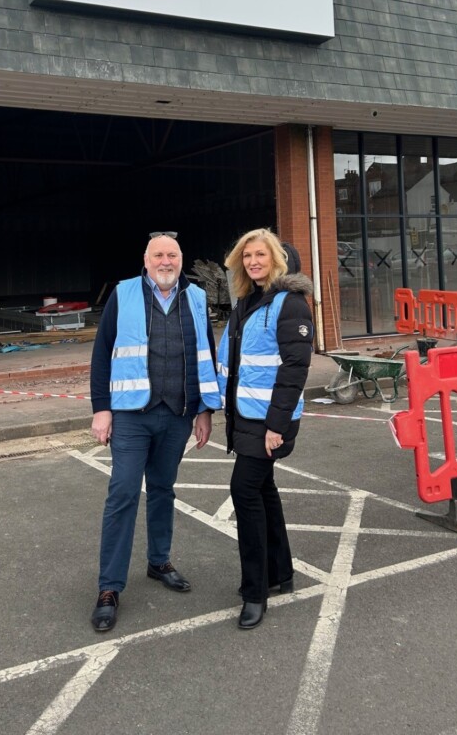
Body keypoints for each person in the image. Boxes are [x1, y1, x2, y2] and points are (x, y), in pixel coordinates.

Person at [90, 231, 221, 632]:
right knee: (124, 493)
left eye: (173, 255)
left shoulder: (196, 297)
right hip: (131, 414)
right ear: (146, 261)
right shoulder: (124, 293)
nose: (166, 262)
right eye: (159, 255)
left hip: (178, 412)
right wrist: (102, 410)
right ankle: (109, 588)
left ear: (181, 260)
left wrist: (204, 410)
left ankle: (159, 561)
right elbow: (102, 351)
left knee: (163, 489)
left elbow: (206, 354)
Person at [217, 228, 313, 630]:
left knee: (244, 490)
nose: (254, 261)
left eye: (261, 255)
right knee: (263, 490)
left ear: (277, 259)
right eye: (248, 256)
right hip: (245, 416)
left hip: (269, 421)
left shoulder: (289, 304)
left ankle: (255, 592)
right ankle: (281, 572)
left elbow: (295, 369)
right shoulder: (247, 301)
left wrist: (276, 425)